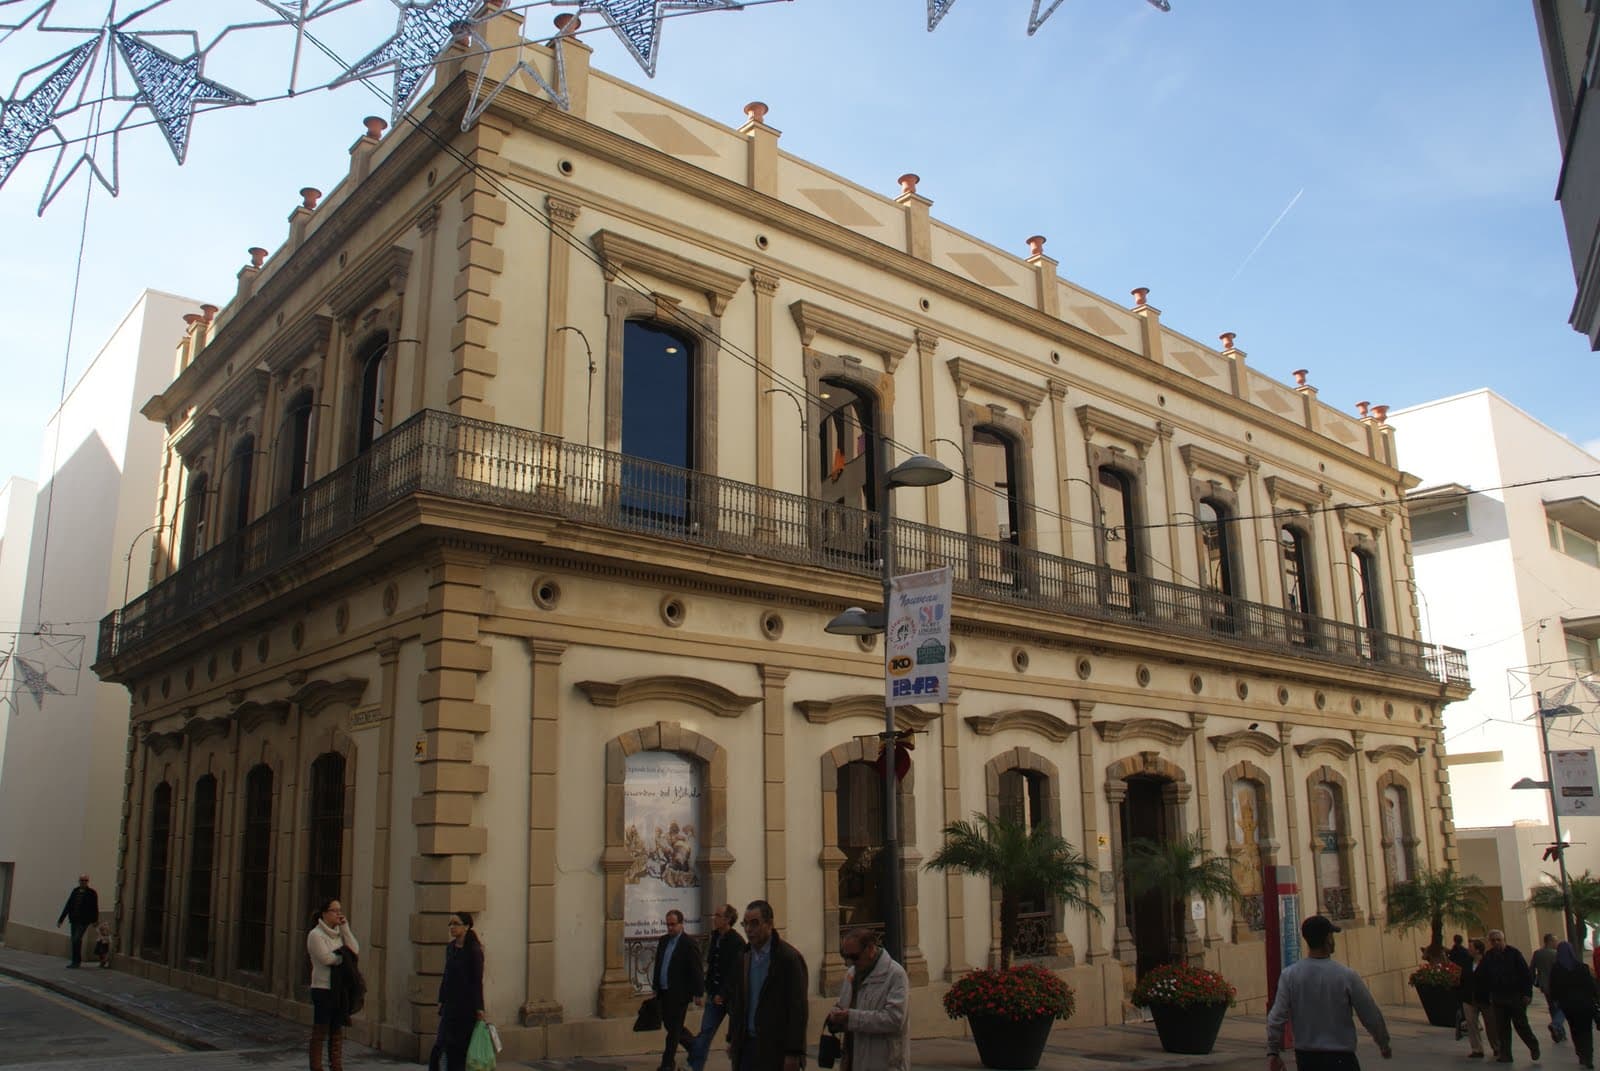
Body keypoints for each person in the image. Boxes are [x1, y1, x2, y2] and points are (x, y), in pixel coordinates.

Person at [1267, 914, 1392, 1071]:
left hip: (1307, 1060)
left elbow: (1276, 1018)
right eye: (1332, 935)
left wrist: (1273, 1052)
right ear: (1328, 939)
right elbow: (1370, 1013)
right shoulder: (1346, 975)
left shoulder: (1290, 975)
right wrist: (1383, 1043)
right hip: (1341, 1059)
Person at [727, 899, 809, 1071]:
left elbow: (798, 1009)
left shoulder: (788, 958)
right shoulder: (744, 956)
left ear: (769, 924)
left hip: (775, 1048)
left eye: (755, 924)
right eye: (745, 924)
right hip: (746, 1045)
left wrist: (793, 1053)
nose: (749, 930)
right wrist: (732, 1039)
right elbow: (737, 1002)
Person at [825, 928, 909, 1071]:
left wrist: (851, 1017)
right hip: (852, 1058)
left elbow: (894, 1019)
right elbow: (843, 1004)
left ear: (870, 949)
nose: (850, 962)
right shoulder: (851, 973)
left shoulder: (895, 975)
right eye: (846, 956)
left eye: (854, 956)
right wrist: (835, 1016)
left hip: (882, 1062)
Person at [689, 904, 746, 1071]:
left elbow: (735, 971)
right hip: (714, 994)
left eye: (718, 915)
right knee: (705, 1032)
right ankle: (694, 1066)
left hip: (731, 997)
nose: (715, 918)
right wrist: (706, 989)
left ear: (727, 919)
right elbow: (711, 963)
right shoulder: (715, 937)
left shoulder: (737, 942)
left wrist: (724, 993)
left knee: (736, 1036)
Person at [306, 897, 360, 1071]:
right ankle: (316, 1066)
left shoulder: (338, 934)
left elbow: (354, 949)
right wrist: (344, 958)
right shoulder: (315, 935)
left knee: (336, 1030)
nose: (338, 914)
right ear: (325, 913)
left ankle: (336, 1066)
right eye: (334, 911)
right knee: (321, 1029)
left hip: (338, 988)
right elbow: (326, 958)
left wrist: (345, 928)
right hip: (322, 988)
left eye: (340, 910)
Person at [430, 912, 486, 1071]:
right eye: (450, 924)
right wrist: (441, 999)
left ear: (467, 926)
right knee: (440, 1046)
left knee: (458, 1049)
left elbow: (477, 981)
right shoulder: (450, 948)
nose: (452, 927)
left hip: (466, 1007)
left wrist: (479, 1008)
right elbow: (446, 975)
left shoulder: (474, 951)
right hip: (450, 1006)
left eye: (456, 924)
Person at [653, 909, 705, 1071]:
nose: (669, 928)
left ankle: (667, 1063)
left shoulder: (688, 944)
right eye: (667, 924)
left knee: (674, 1029)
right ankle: (696, 1047)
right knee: (670, 1025)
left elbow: (696, 969)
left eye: (673, 925)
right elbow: (659, 965)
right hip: (664, 991)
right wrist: (656, 986)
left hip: (680, 994)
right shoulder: (663, 941)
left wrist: (698, 992)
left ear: (681, 924)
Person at [1481, 929, 1541, 1063]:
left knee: (1521, 1024)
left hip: (1515, 996)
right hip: (1498, 996)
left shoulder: (1514, 954)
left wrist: (1527, 993)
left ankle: (1533, 1045)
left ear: (1504, 940)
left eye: (1498, 940)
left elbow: (1526, 975)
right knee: (1502, 1027)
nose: (1496, 942)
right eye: (1493, 940)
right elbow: (1483, 976)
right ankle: (1506, 1055)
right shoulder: (1489, 956)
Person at [1550, 941, 1598, 1070]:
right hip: (1585, 1005)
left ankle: (1581, 1053)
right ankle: (1588, 1056)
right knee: (1586, 1031)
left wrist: (1556, 1001)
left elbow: (1553, 989)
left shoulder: (1557, 969)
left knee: (1575, 1030)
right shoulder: (1582, 967)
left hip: (1569, 1006)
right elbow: (1591, 986)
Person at [56, 874, 99, 968]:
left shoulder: (91, 893)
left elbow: (94, 907)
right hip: (74, 919)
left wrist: (95, 920)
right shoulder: (75, 891)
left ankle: (76, 961)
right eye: (81, 880)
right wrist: (61, 919)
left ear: (87, 882)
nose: (83, 882)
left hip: (84, 921)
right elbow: (68, 904)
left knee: (76, 939)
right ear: (79, 881)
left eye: (85, 880)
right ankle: (75, 961)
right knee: (75, 940)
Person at [1534, 933, 1569, 1044]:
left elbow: (1531, 969)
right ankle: (1556, 1025)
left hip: (1545, 986)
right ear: (1549, 941)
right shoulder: (1556, 954)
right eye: (1555, 941)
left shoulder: (1537, 953)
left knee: (1553, 1008)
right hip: (1557, 985)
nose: (1556, 943)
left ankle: (1559, 1032)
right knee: (1562, 1006)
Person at [1449, 935, 1475, 1043]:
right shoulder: (1464, 953)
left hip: (1461, 983)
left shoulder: (1455, 952)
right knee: (1466, 1008)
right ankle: (1467, 1024)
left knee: (1462, 1006)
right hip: (1464, 984)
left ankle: (1465, 1024)